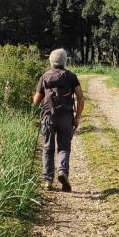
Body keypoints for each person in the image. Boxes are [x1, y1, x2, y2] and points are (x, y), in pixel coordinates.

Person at [33, 48, 84, 192]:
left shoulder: (45, 76)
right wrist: (77, 117)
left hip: (48, 116)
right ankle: (62, 172)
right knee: (64, 147)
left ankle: (48, 180)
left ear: (51, 61)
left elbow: (36, 100)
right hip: (66, 116)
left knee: (48, 148)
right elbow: (80, 98)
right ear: (65, 61)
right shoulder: (71, 76)